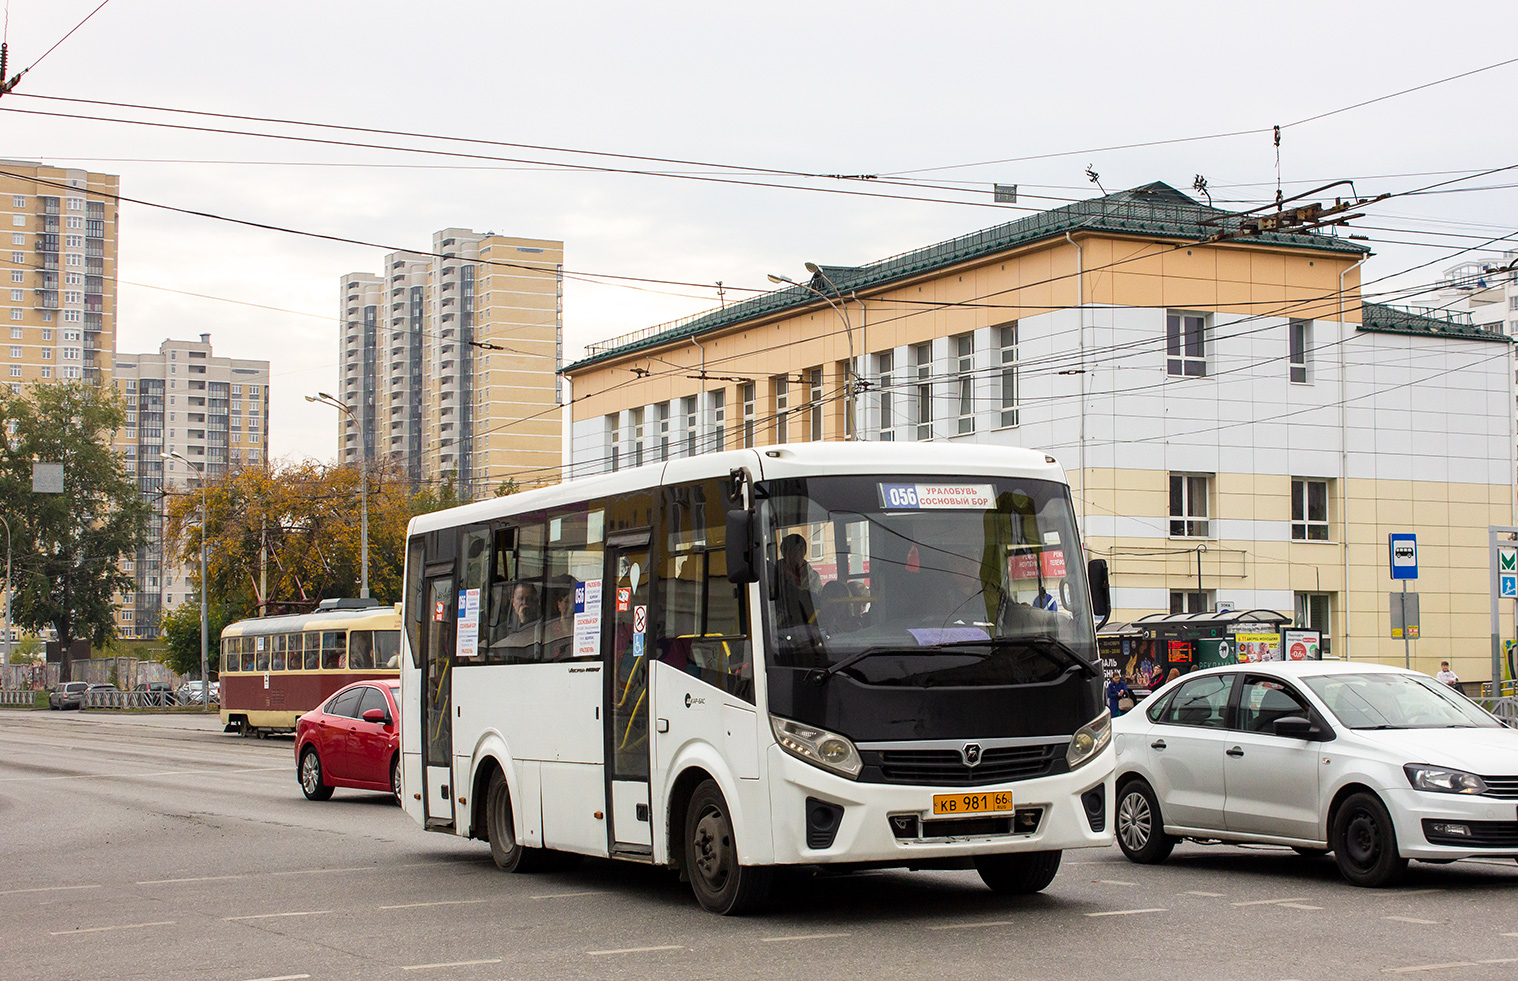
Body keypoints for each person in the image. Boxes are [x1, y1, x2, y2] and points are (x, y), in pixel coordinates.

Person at [774, 533, 820, 627]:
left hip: (811, 624)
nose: (797, 554)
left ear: (805, 552)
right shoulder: (774, 575)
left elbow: (818, 603)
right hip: (784, 626)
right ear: (784, 553)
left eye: (800, 550)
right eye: (792, 551)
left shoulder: (814, 577)